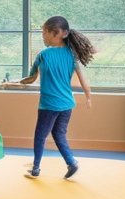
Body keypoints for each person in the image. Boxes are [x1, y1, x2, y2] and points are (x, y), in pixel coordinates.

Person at [19, 15, 95, 180]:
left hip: (49, 105)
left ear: (54, 34)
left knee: (40, 136)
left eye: (44, 34)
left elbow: (31, 79)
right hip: (67, 104)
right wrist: (88, 96)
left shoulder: (43, 55)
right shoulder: (71, 55)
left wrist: (18, 82)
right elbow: (83, 79)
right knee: (59, 134)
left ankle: (36, 169)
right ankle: (71, 162)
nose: (43, 37)